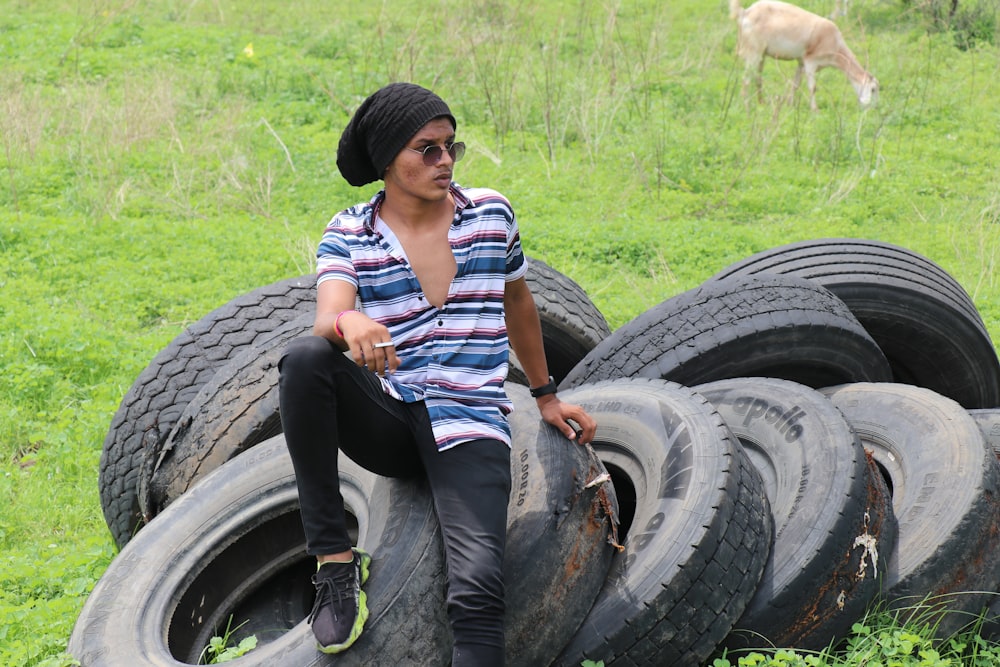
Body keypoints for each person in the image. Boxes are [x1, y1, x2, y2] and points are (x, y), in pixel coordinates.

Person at [277, 82, 598, 666]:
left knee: (477, 589)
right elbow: (327, 317)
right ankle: (334, 561)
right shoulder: (351, 231)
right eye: (426, 149)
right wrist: (351, 319)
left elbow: (517, 301)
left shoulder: (490, 214)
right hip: (391, 414)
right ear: (386, 161)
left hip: (470, 419)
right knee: (305, 359)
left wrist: (547, 396)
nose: (444, 160)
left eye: (451, 146)